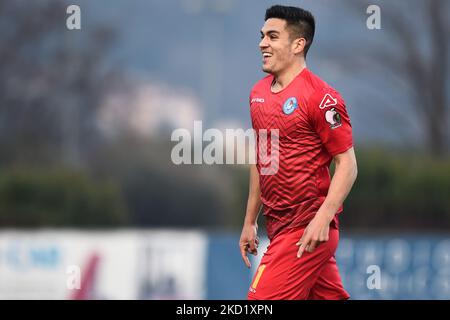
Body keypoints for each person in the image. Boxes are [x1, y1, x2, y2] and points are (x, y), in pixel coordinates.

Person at [239, 5, 358, 300]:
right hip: (281, 229)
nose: (262, 43)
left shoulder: (321, 97)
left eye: (272, 36)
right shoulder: (258, 94)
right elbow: (262, 159)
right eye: (262, 35)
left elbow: (348, 165)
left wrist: (322, 218)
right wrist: (250, 220)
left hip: (306, 228)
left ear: (298, 44)